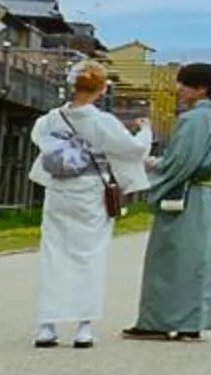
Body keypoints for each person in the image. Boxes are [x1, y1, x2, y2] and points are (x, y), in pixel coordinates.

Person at [26, 61, 151, 349]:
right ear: (102, 88)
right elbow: (132, 149)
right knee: (89, 256)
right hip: (91, 191)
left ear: (73, 85)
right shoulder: (101, 121)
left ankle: (47, 326)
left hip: (58, 190)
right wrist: (144, 130)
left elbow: (39, 138)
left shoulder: (49, 119)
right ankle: (83, 328)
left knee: (53, 254)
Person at [128, 62, 211, 339]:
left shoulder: (191, 120)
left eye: (184, 84)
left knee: (168, 258)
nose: (179, 89)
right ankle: (192, 322)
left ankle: (158, 321)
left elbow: (179, 161)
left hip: (183, 194)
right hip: (206, 194)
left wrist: (155, 168)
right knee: (199, 261)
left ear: (201, 89)